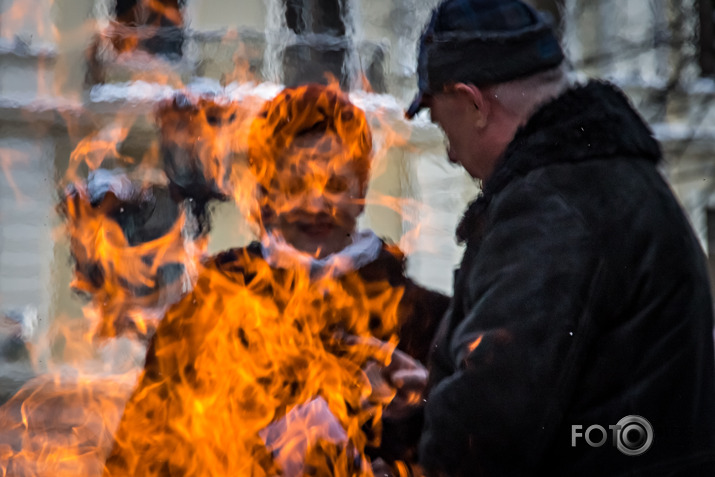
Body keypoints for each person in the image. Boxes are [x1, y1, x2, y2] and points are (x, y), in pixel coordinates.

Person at [394, 0, 715, 475]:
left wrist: (409, 430)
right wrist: (438, 390)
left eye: (444, 124)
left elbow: (485, 434)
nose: (450, 155)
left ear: (474, 103)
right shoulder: (618, 179)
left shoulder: (552, 209)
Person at [102, 84, 449, 476]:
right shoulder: (204, 312)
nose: (317, 204)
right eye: (296, 184)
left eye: (336, 185)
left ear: (363, 189)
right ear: (265, 190)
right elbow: (137, 457)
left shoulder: (424, 319)